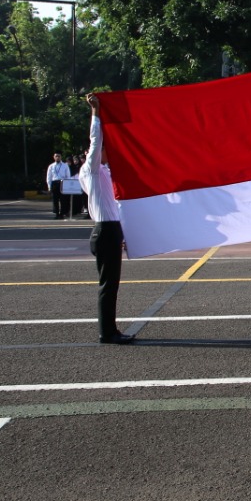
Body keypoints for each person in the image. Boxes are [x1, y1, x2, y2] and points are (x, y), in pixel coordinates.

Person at [81, 94, 134, 345]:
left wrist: (122, 235)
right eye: (104, 149)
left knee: (112, 285)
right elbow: (95, 140)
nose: (106, 151)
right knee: (107, 285)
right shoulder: (90, 171)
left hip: (110, 231)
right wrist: (96, 113)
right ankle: (107, 332)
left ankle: (110, 329)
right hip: (104, 231)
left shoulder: (105, 172)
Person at [46, 152, 70, 219]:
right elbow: (49, 177)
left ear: (61, 157)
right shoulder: (51, 166)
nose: (57, 157)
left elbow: (68, 176)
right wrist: (49, 186)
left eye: (59, 156)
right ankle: (56, 213)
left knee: (63, 200)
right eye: (56, 156)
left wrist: (67, 185)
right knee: (55, 200)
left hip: (62, 182)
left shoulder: (65, 165)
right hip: (54, 183)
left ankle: (62, 213)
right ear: (54, 157)